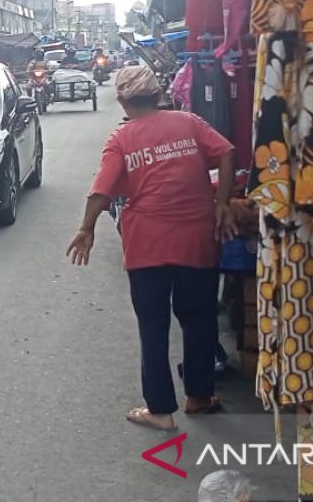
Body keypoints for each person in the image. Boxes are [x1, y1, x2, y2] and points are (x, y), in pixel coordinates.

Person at [67, 63, 235, 432]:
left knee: (154, 326)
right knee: (199, 320)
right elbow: (226, 154)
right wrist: (222, 204)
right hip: (197, 239)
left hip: (147, 246)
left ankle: (160, 410)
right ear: (159, 94)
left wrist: (86, 228)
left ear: (124, 100)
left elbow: (102, 190)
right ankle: (199, 396)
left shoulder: (121, 139)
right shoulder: (189, 123)